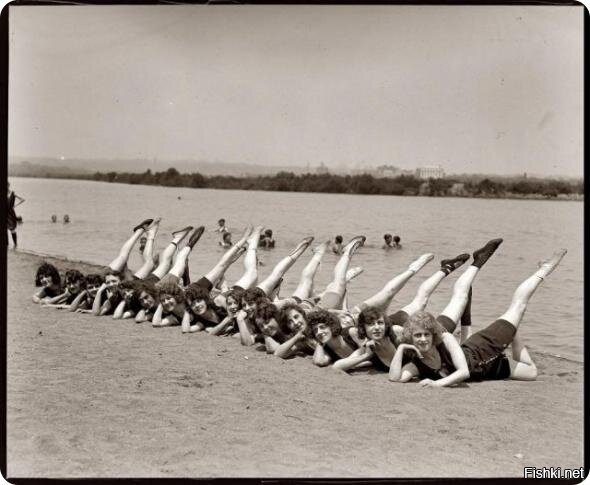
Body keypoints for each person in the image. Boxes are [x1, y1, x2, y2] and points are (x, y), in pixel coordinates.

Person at [387, 240, 563, 387]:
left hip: (483, 349)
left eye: (426, 334)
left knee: (518, 307)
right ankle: (513, 332)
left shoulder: (446, 339)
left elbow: (463, 372)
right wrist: (402, 348)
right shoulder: (417, 364)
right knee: (531, 372)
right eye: (417, 336)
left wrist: (437, 384)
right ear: (411, 337)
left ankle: (544, 270)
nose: (423, 339)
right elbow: (395, 378)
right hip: (490, 370)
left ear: (434, 334)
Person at [7, 182, 25, 249]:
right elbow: (22, 200)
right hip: (7, 212)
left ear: (9, 186)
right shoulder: (11, 193)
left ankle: (15, 245)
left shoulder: (13, 193)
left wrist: (14, 206)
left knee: (12, 229)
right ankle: (9, 245)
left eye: (7, 185)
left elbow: (22, 199)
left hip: (10, 213)